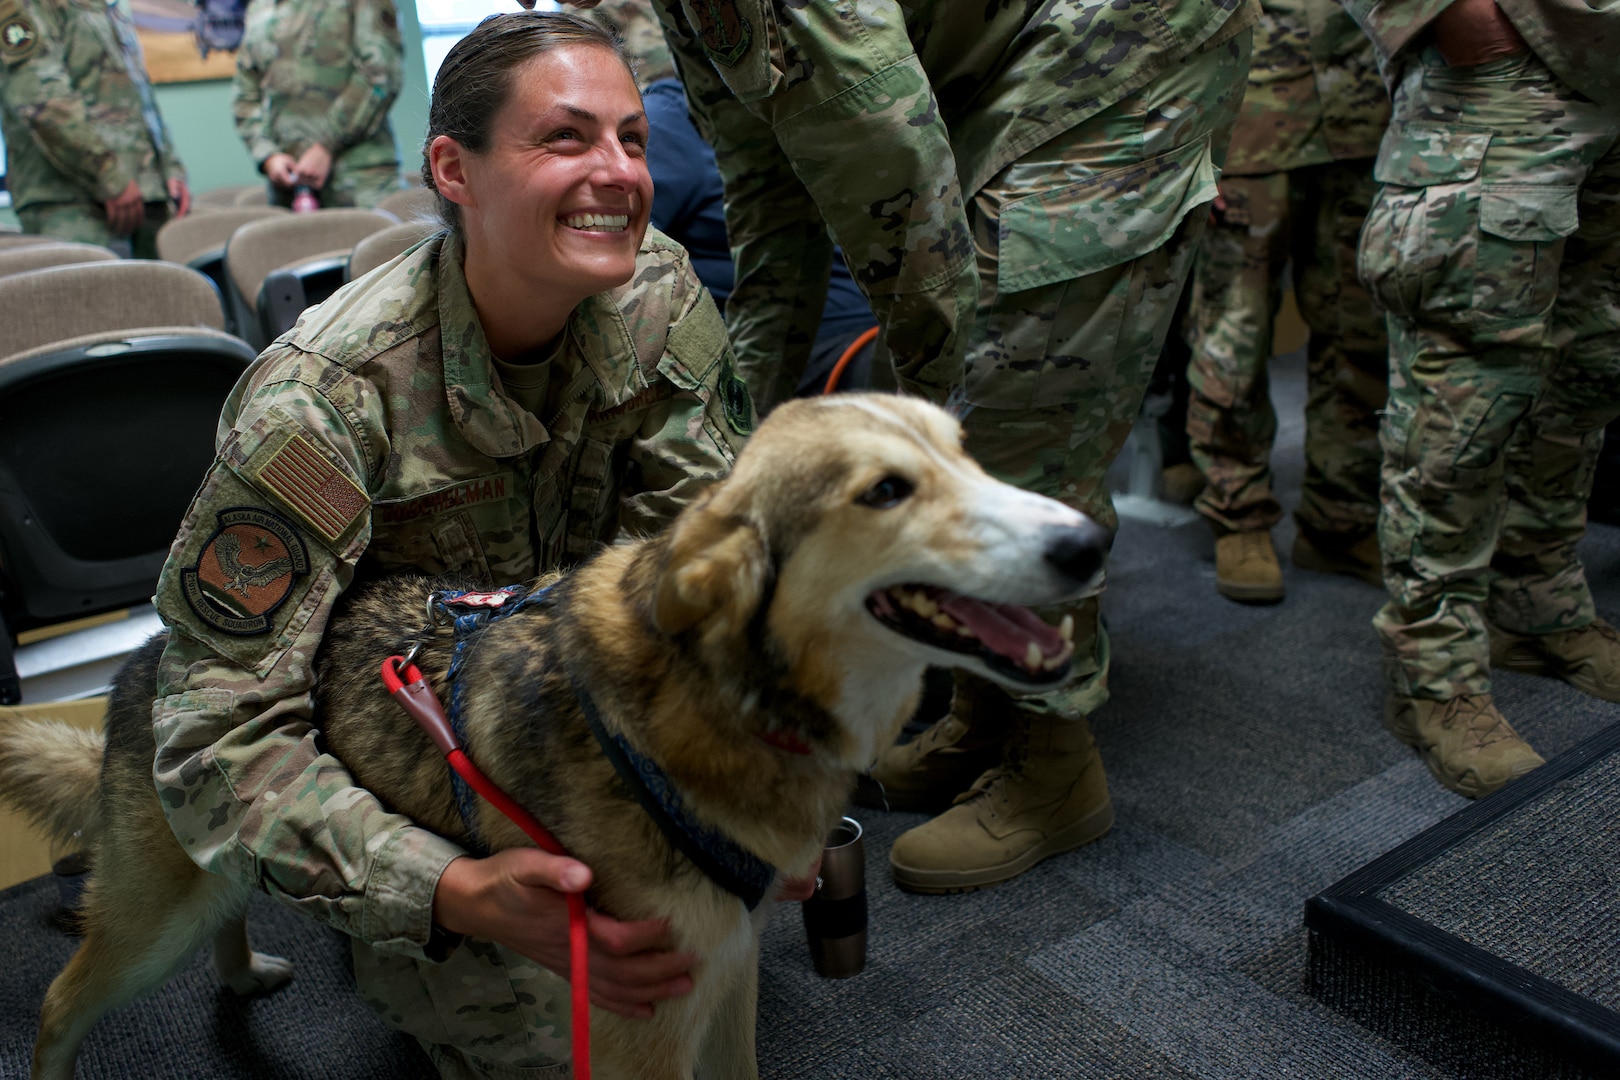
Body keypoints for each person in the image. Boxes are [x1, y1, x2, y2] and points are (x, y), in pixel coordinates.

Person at [147, 13, 757, 1076]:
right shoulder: (326, 403)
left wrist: (749, 774)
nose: (617, 174)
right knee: (557, 1047)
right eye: (566, 139)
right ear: (452, 168)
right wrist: (445, 892)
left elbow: (708, 563)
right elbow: (213, 739)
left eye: (632, 138)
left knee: (694, 982)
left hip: (589, 732)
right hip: (419, 782)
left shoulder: (656, 291)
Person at [636, 0, 1258, 894]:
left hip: (1124, 50)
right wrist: (746, 456)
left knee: (1018, 405)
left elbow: (891, 157)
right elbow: (771, 209)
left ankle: (1055, 763)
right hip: (1010, 68)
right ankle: (984, 710)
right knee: (954, 384)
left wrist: (943, 424)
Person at [1345, 0, 1620, 798]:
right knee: (1463, 398)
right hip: (1500, 80)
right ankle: (1433, 670)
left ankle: (1537, 601)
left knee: (1592, 365)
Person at [1183, 0, 1391, 603]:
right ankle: (1237, 515)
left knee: (1361, 336)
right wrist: (1193, 141)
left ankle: (1339, 521)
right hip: (1249, 129)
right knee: (1233, 338)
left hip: (1363, 124)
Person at [590, 0, 879, 394]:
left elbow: (607, 256)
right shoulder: (789, 104)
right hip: (852, 339)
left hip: (820, 357)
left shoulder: (667, 121)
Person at [0, 0, 190, 258]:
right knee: (89, 296)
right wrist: (110, 177)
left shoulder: (107, 5)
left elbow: (138, 94)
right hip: (72, 201)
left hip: (146, 191)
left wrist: (169, 167)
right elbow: (44, 102)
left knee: (158, 295)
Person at [231, 0, 404, 210]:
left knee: (380, 241)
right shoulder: (259, 7)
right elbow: (246, 96)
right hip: (287, 187)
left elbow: (379, 74)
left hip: (359, 178)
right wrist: (268, 155)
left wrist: (326, 145)